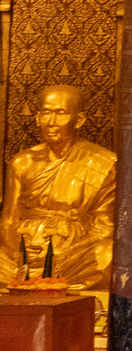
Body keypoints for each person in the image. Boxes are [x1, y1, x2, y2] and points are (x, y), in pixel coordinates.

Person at [0, 84, 116, 288]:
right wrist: (20, 252)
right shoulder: (22, 162)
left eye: (60, 113)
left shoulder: (103, 162)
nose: (51, 123)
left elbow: (104, 226)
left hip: (73, 251)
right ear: (37, 118)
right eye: (46, 113)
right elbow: (9, 220)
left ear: (79, 120)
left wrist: (60, 252)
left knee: (107, 254)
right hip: (24, 250)